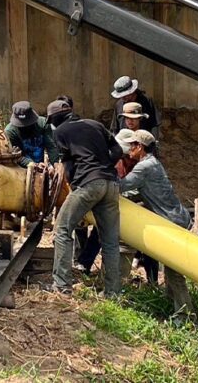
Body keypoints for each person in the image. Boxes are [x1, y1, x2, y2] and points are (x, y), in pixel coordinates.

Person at [46, 99, 123, 296]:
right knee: (110, 240)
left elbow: (68, 166)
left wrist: (75, 185)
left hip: (89, 184)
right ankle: (113, 292)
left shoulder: (60, 132)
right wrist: (105, 166)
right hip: (111, 184)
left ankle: (62, 286)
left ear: (55, 118)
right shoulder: (95, 124)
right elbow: (118, 151)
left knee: (62, 230)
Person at [120, 129, 194, 315]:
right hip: (178, 218)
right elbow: (141, 191)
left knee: (174, 273)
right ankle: (172, 305)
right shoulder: (153, 163)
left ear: (140, 147)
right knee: (170, 269)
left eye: (132, 145)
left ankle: (185, 315)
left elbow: (121, 185)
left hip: (171, 222)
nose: (129, 149)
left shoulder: (144, 167)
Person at [74, 129, 137, 274]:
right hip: (113, 200)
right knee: (99, 231)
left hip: (130, 204)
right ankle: (85, 263)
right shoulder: (115, 160)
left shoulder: (138, 163)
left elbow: (134, 187)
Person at [5, 101, 59, 168]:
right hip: (20, 169)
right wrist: (34, 165)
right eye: (21, 125)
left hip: (41, 165)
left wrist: (56, 164)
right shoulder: (10, 132)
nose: (25, 127)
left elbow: (51, 146)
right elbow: (16, 156)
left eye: (28, 124)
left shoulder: (43, 124)